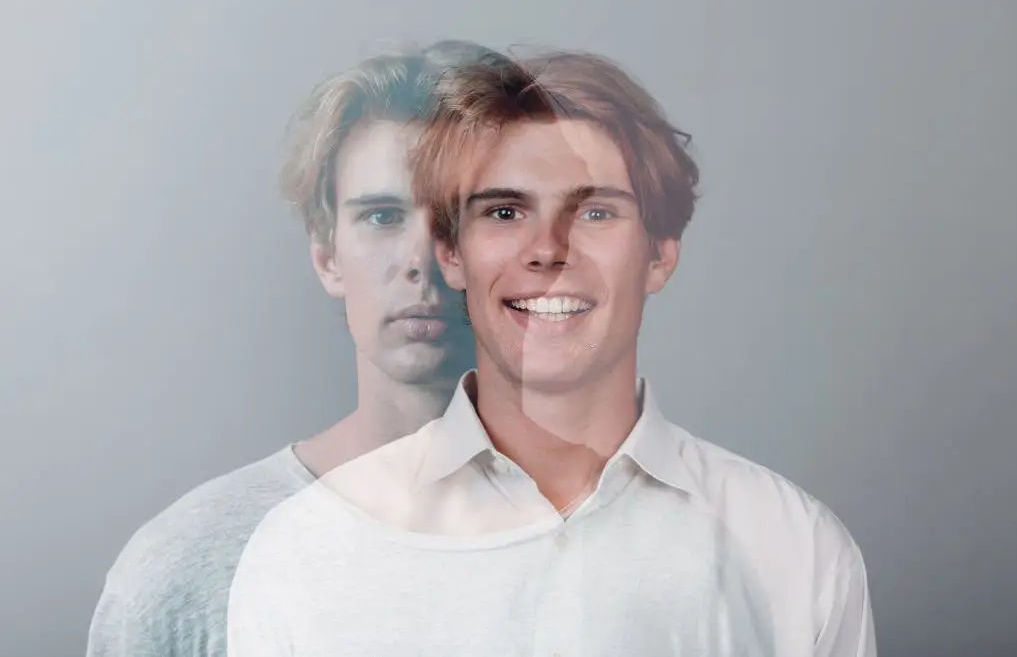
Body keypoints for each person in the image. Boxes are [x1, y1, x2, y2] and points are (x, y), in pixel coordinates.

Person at [226, 48, 876, 656]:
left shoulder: (795, 548)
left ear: (660, 254)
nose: (548, 250)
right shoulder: (306, 550)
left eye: (595, 213)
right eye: (505, 213)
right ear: (452, 254)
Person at [85, 40, 486, 657]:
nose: (423, 260)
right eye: (382, 217)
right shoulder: (189, 568)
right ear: (327, 257)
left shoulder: (626, 541)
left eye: (471, 215)